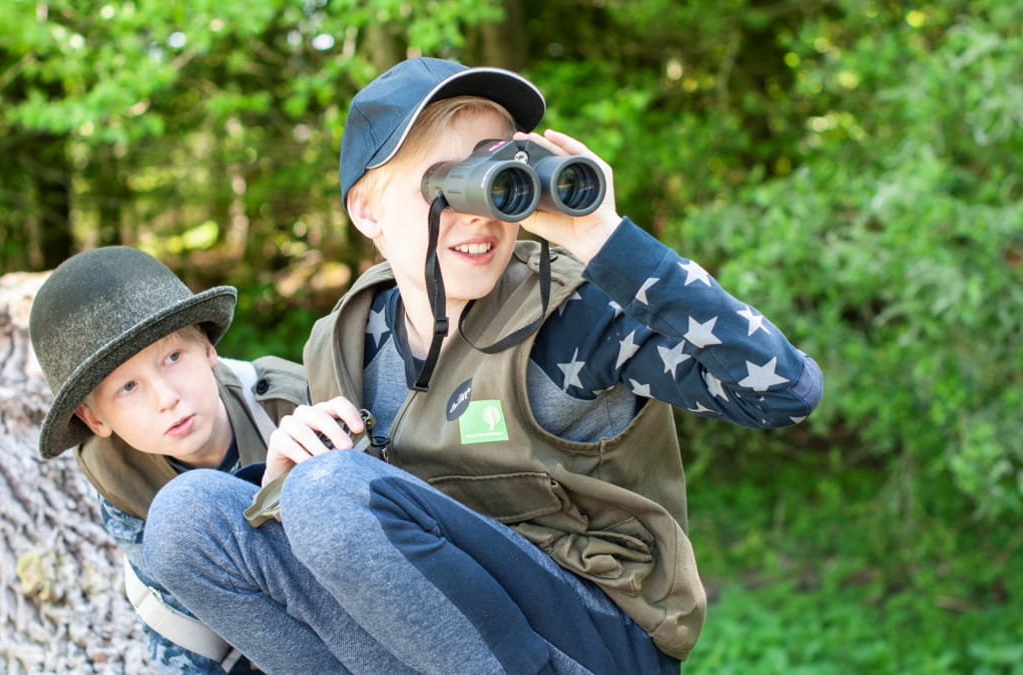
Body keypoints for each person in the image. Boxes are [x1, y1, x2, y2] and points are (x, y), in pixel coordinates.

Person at [143, 57, 823, 674]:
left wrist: (607, 240)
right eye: (446, 186)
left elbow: (785, 390)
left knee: (330, 494)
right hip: (450, 638)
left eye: (500, 179)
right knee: (189, 514)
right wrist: (291, 476)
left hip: (597, 636)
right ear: (366, 209)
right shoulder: (347, 336)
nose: (480, 218)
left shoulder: (570, 317)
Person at [28, 246, 307, 674]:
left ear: (207, 347)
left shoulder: (288, 406)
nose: (167, 398)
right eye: (128, 388)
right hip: (248, 633)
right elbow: (178, 619)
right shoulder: (122, 480)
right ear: (93, 418)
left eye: (173, 358)